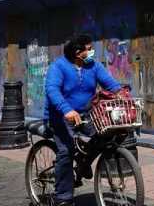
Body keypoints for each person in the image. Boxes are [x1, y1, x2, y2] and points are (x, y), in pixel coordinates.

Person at [45, 35, 122, 206]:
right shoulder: (58, 67)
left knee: (106, 134)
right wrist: (66, 110)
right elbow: (52, 90)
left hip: (86, 115)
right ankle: (63, 197)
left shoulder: (93, 65)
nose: (91, 51)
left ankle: (83, 162)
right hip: (60, 117)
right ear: (77, 52)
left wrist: (122, 94)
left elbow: (110, 83)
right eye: (88, 48)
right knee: (65, 151)